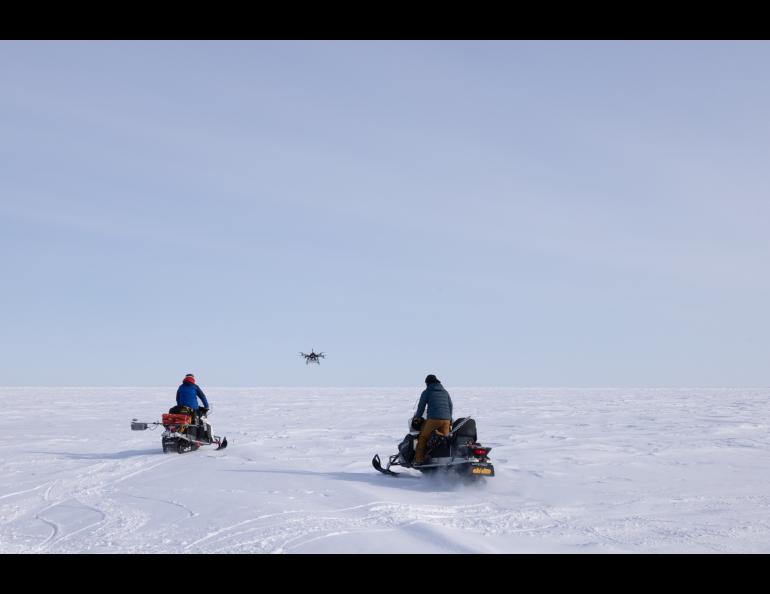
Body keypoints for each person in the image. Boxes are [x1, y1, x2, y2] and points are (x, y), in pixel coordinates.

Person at [413, 374, 453, 465]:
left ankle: (418, 460)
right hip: (446, 420)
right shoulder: (445, 392)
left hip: (433, 419)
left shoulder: (427, 392)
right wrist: (450, 418)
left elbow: (421, 407)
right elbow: (450, 406)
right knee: (444, 440)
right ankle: (442, 461)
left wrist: (417, 418)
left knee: (423, 437)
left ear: (427, 383)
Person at [174, 373, 211, 441]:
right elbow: (203, 397)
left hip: (181, 408)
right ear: (193, 379)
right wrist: (206, 406)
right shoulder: (195, 387)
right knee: (199, 421)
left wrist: (180, 405)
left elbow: (177, 398)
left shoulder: (180, 387)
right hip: (193, 408)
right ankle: (200, 438)